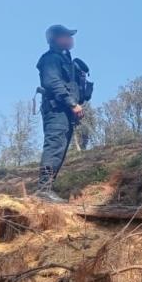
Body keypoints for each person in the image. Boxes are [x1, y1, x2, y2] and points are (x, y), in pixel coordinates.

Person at [35, 25, 93, 202]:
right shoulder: (51, 59)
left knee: (60, 149)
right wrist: (72, 104)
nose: (71, 39)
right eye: (67, 36)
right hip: (56, 110)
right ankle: (43, 191)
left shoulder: (66, 60)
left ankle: (46, 189)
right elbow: (53, 83)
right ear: (57, 39)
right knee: (54, 146)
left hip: (65, 112)